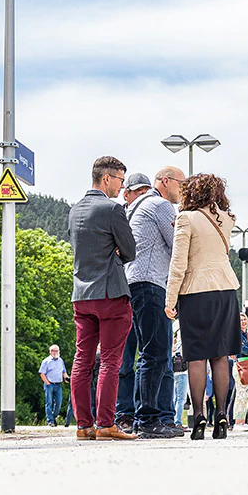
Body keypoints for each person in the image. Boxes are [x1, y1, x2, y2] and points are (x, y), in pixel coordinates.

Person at [164, 173, 241, 441]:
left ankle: (199, 417)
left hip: (196, 291)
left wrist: (170, 299)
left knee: (196, 356)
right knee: (220, 356)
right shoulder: (227, 219)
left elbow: (178, 264)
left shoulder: (186, 218)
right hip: (226, 290)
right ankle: (221, 414)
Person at [68, 156, 138, 441]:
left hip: (81, 295)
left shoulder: (74, 211)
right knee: (110, 360)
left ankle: (83, 426)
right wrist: (116, 255)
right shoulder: (112, 209)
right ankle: (106, 424)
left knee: (82, 360)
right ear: (106, 178)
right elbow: (130, 250)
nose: (122, 188)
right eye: (121, 181)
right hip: (110, 293)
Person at [121, 166, 185, 438]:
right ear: (165, 181)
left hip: (134, 285)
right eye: (181, 184)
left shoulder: (136, 208)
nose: (183, 190)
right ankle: (148, 420)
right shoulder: (159, 205)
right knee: (156, 354)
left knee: (146, 353)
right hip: (150, 284)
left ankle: (144, 416)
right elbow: (178, 245)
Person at [116, 172, 152, 418]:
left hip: (142, 287)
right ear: (125, 193)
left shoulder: (151, 213)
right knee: (124, 358)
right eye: (138, 191)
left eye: (146, 191)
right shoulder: (119, 215)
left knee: (146, 355)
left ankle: (139, 412)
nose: (143, 196)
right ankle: (124, 413)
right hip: (121, 289)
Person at [40, 344, 67, 426]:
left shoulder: (61, 361)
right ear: (50, 352)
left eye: (56, 351)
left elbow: (64, 372)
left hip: (58, 384)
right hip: (49, 384)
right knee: (49, 402)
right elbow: (42, 373)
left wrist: (67, 378)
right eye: (53, 351)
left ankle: (53, 416)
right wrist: (47, 383)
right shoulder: (46, 361)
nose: (55, 352)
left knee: (59, 402)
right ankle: (50, 421)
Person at [171, 325, 188, 427]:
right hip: (182, 373)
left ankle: (172, 420)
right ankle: (178, 422)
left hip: (173, 373)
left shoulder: (173, 344)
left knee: (174, 399)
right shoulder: (185, 344)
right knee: (181, 399)